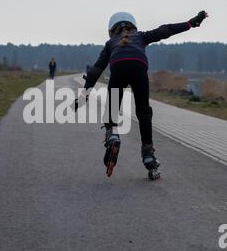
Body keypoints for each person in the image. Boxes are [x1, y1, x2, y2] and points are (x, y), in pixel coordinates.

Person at [82, 10, 209, 179]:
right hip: (138, 67)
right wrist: (190, 23)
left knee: (111, 110)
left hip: (118, 68)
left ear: (111, 29)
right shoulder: (141, 36)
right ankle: (148, 155)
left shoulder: (110, 43)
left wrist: (85, 93)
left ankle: (112, 135)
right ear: (133, 26)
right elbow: (166, 30)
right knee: (143, 112)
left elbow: (95, 71)